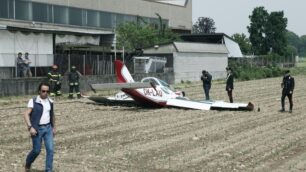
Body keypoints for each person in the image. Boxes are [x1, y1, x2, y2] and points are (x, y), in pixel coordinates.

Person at [23, 82, 56, 172]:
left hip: (48, 128)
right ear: (39, 91)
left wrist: (53, 127)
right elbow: (26, 114)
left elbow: (52, 115)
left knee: (50, 150)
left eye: (47, 91)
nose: (45, 93)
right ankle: (28, 163)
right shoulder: (33, 101)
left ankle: (48, 170)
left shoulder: (50, 101)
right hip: (37, 129)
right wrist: (30, 127)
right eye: (43, 91)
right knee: (36, 150)